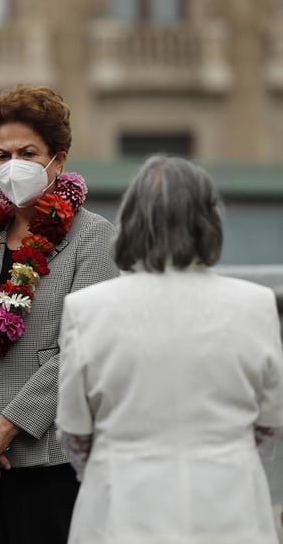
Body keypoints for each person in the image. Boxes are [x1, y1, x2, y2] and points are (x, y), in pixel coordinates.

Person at [56, 155, 283, 544]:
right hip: (231, 509)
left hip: (121, 509)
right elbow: (268, 424)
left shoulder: (86, 308)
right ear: (209, 221)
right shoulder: (258, 304)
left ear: (129, 220)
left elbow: (75, 431)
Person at [0, 84, 120, 543]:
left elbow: (87, 347)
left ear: (57, 159)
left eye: (27, 152)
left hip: (50, 456)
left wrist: (9, 426)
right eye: (2, 155)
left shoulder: (93, 238)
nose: (12, 164)